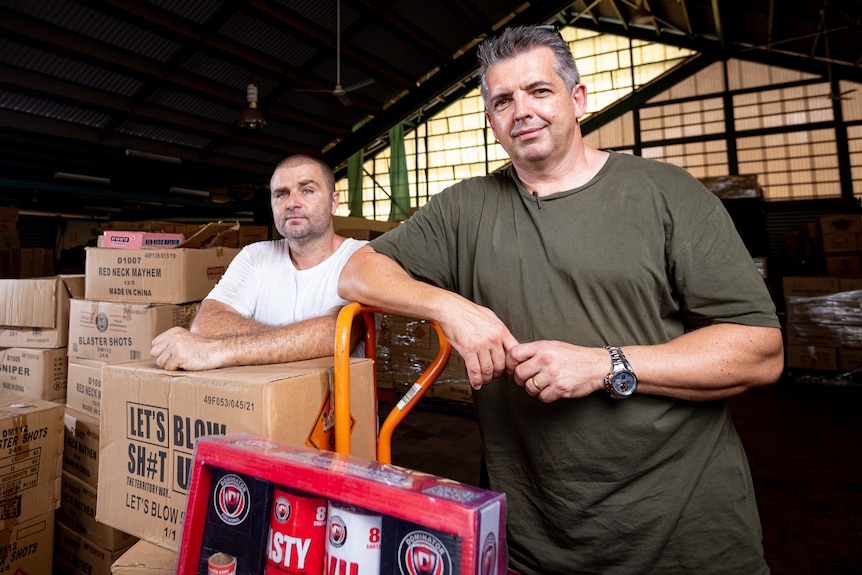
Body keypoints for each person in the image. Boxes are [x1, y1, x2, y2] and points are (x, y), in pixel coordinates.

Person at [337, 25, 784, 574]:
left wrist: (605, 364)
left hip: (683, 534)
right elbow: (357, 271)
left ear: (578, 100)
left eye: (539, 91)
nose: (521, 110)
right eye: (502, 101)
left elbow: (760, 349)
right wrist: (451, 307)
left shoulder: (667, 195)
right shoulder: (466, 208)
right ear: (491, 122)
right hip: (534, 543)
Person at [151, 154, 366, 371]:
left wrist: (215, 350)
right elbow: (206, 324)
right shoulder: (255, 256)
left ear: (333, 201)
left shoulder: (361, 256)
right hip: (262, 400)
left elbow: (338, 332)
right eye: (281, 194)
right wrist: (302, 338)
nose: (292, 203)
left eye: (307, 190)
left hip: (336, 402)